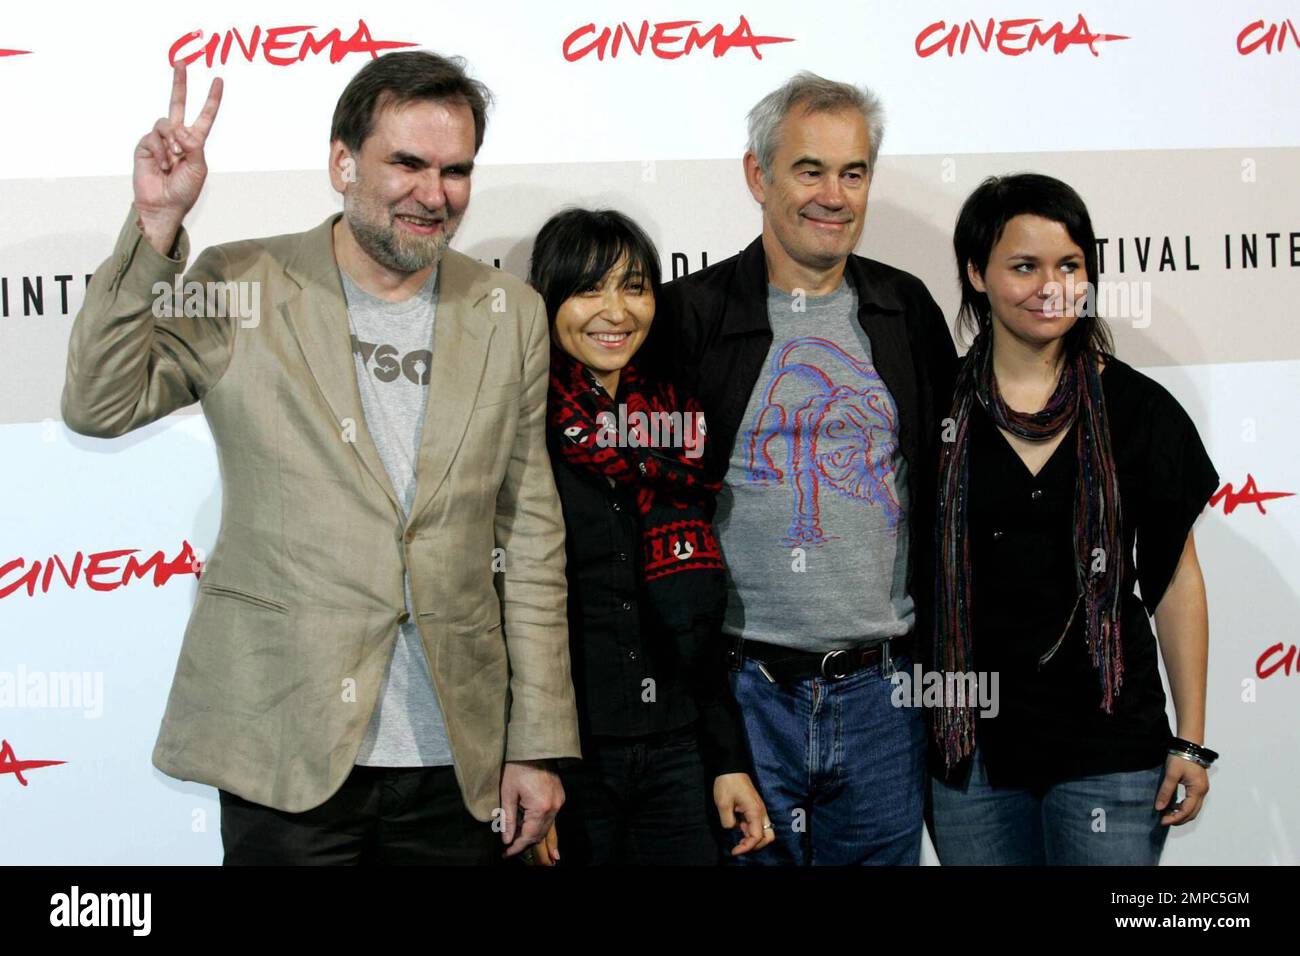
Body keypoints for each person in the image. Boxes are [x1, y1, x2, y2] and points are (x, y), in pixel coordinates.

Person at [60, 51, 580, 865]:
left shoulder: (507, 310)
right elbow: (99, 403)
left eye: (455, 170)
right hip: (285, 749)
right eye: (406, 162)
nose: (433, 193)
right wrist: (155, 226)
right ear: (342, 161)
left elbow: (531, 535)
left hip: (457, 760)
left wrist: (539, 740)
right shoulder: (242, 280)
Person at [653, 72, 959, 865]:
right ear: (759, 177)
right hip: (744, 697)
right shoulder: (688, 318)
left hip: (886, 699)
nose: (834, 194)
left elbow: (951, 485)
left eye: (853, 172)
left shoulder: (906, 309)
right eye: (809, 170)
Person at [928, 173, 1218, 865]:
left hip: (1112, 753)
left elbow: (1175, 583)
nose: (1050, 286)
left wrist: (1190, 738)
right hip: (972, 756)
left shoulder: (1139, 411)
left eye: (1070, 266)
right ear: (976, 273)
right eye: (1024, 266)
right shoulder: (932, 408)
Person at [525, 208, 774, 865]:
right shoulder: (520, 431)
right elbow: (502, 616)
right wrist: (527, 763)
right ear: (549, 302)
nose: (615, 311)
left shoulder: (679, 428)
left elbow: (701, 624)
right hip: (568, 761)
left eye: (634, 287)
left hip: (677, 750)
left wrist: (726, 760)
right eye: (587, 290)